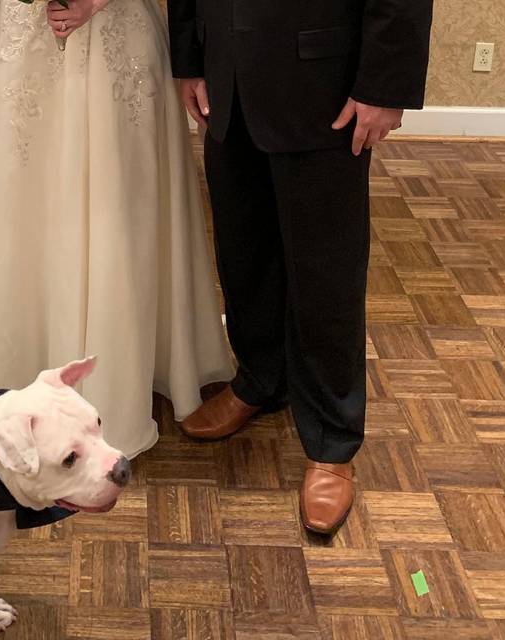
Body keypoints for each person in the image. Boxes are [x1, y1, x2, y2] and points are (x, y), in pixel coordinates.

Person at [0, 0, 235, 456]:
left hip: (115, 32)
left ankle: (113, 371)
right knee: (10, 190)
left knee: (114, 199)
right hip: (14, 34)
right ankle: (5, 360)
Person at [169, 0, 433, 533]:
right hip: (228, 75)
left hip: (323, 83)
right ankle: (261, 378)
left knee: (325, 271)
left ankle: (333, 438)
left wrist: (384, 86)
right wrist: (191, 58)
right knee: (243, 251)